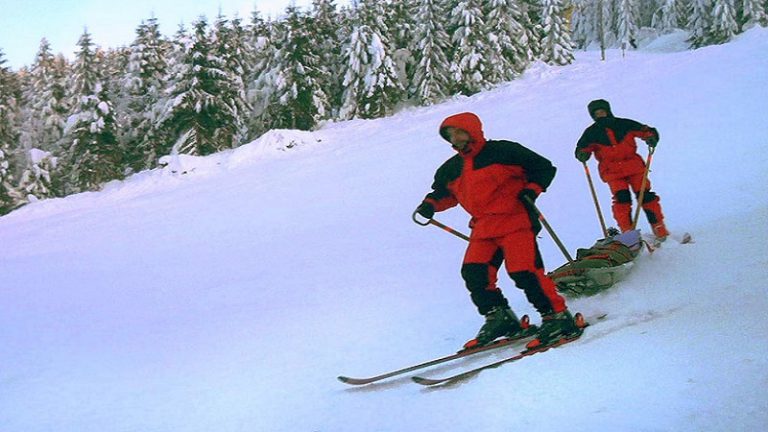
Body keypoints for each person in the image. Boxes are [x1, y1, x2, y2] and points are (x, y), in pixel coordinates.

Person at [415, 112, 580, 350]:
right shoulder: (450, 169)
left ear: (473, 130)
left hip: (516, 220)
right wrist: (430, 205)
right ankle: (499, 318)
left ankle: (557, 317)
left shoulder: (504, 151)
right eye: (451, 135)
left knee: (524, 271)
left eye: (460, 132)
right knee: (474, 272)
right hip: (483, 227)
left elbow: (543, 168)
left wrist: (532, 190)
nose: (456, 138)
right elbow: (443, 194)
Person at [575, 99, 669, 239]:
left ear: (608, 111)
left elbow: (645, 130)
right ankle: (627, 232)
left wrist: (651, 137)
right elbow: (582, 148)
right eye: (597, 114)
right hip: (613, 172)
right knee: (622, 199)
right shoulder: (591, 132)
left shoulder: (624, 124)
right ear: (593, 116)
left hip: (633, 167)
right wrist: (582, 154)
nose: (600, 115)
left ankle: (659, 228)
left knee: (646, 196)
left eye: (602, 112)